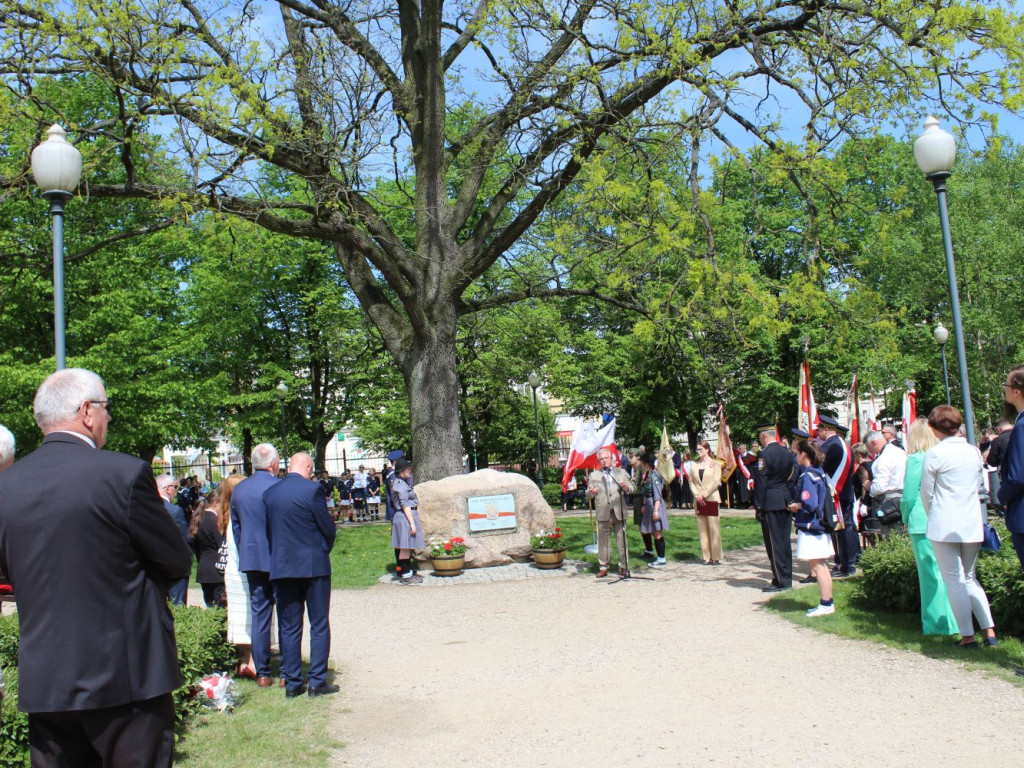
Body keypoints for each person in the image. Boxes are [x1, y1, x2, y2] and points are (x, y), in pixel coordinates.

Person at [0, 368, 191, 767]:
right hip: (127, 678)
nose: (108, 418)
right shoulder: (121, 473)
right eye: (106, 408)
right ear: (87, 411)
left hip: (47, 681)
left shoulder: (7, 487)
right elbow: (175, 559)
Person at [920, 405, 998, 649]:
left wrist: (933, 514)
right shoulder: (973, 451)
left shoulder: (934, 454)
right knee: (970, 578)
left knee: (954, 580)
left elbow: (926, 493)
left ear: (933, 427)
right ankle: (989, 630)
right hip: (971, 520)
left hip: (944, 522)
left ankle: (968, 636)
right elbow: (978, 484)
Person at [264, 452, 338, 697]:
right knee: (318, 624)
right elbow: (326, 527)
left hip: (283, 566)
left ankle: (293, 683)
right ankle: (317, 682)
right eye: (311, 469)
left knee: (289, 626)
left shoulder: (271, 493)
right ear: (307, 467)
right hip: (313, 565)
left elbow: (269, 531)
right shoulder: (312, 490)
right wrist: (323, 549)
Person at [899, 419, 958, 636]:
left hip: (922, 521)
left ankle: (937, 624)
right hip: (945, 519)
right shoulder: (942, 455)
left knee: (930, 575)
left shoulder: (916, 459)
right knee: (948, 574)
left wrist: (905, 517)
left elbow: (908, 496)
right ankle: (954, 621)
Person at [230, 443, 282, 687]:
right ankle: (288, 669)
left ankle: (262, 671)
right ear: (273, 464)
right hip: (278, 559)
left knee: (259, 614)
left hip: (252, 559)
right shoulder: (278, 487)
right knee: (286, 613)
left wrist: (245, 553)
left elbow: (237, 529)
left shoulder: (240, 490)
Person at [788, 440, 835, 616]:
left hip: (812, 525)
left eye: (796, 452)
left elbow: (810, 503)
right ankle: (827, 601)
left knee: (818, 565)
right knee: (822, 564)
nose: (795, 456)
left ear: (803, 455)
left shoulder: (807, 476)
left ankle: (826, 603)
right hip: (821, 523)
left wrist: (798, 506)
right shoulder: (819, 472)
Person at [216, 473, 256, 680]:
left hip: (232, 572)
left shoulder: (225, 515)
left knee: (240, 618)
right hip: (243, 571)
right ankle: (251, 662)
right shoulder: (238, 516)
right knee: (249, 616)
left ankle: (244, 660)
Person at [752, 424, 797, 592]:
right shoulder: (787, 453)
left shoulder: (764, 454)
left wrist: (758, 505)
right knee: (784, 541)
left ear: (764, 436)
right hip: (784, 498)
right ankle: (786, 577)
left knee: (774, 542)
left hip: (770, 501)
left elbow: (761, 481)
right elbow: (792, 475)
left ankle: (780, 580)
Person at [818, 415, 859, 577]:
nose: (818, 432)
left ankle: (846, 565)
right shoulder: (843, 444)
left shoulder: (830, 445)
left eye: (820, 429)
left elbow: (819, 465)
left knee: (842, 528)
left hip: (837, 491)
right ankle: (850, 560)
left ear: (826, 429)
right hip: (845, 490)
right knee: (847, 525)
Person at [587, 448, 634, 577]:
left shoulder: (621, 472)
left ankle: (623, 566)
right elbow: (588, 494)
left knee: (621, 540)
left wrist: (626, 488)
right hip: (603, 512)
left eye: (606, 458)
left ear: (611, 459)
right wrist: (591, 492)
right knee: (603, 542)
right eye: (601, 459)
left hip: (619, 511)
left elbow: (632, 487)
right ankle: (603, 566)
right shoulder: (594, 475)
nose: (604, 461)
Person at [998, 364, 1024, 572]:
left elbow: (1018, 476)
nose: (1004, 389)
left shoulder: (1022, 425)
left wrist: (1001, 495)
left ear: (1017, 391)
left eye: (1006, 385)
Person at [156, 473, 192, 605]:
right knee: (178, 607)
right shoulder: (174, 511)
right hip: (174, 567)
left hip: (154, 567)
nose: (175, 490)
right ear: (167, 488)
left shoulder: (144, 508)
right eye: (174, 487)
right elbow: (184, 540)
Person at [687, 442, 723, 565]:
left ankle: (716, 556)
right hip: (699, 500)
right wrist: (697, 495)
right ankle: (706, 556)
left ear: (707, 449)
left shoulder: (715, 464)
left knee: (714, 527)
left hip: (711, 498)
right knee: (702, 528)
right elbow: (691, 481)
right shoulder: (694, 465)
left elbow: (716, 481)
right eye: (697, 449)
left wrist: (704, 494)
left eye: (700, 449)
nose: (698, 451)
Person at [867, 427, 906, 538]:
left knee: (890, 535)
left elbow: (879, 487)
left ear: (874, 443)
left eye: (869, 448)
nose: (870, 452)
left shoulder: (883, 458)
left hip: (888, 500)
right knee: (901, 534)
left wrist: (870, 487)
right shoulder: (900, 451)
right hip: (902, 495)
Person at [391, 458, 424, 583]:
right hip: (405, 516)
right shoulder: (400, 485)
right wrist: (412, 523)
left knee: (405, 547)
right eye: (408, 468)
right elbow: (405, 504)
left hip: (405, 516)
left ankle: (404, 572)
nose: (410, 470)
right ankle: (406, 575)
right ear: (401, 471)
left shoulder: (402, 482)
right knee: (405, 547)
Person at [190, 493, 226, 608]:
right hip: (216, 569)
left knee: (210, 605)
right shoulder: (213, 520)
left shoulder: (198, 518)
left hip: (204, 568)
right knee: (220, 607)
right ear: (215, 503)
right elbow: (221, 544)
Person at [638, 451, 669, 567]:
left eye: (642, 462)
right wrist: (645, 505)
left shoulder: (655, 475)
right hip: (650, 505)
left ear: (647, 463)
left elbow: (657, 495)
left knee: (657, 532)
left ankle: (661, 559)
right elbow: (646, 491)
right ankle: (658, 557)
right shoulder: (649, 474)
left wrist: (656, 510)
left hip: (655, 505)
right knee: (652, 531)